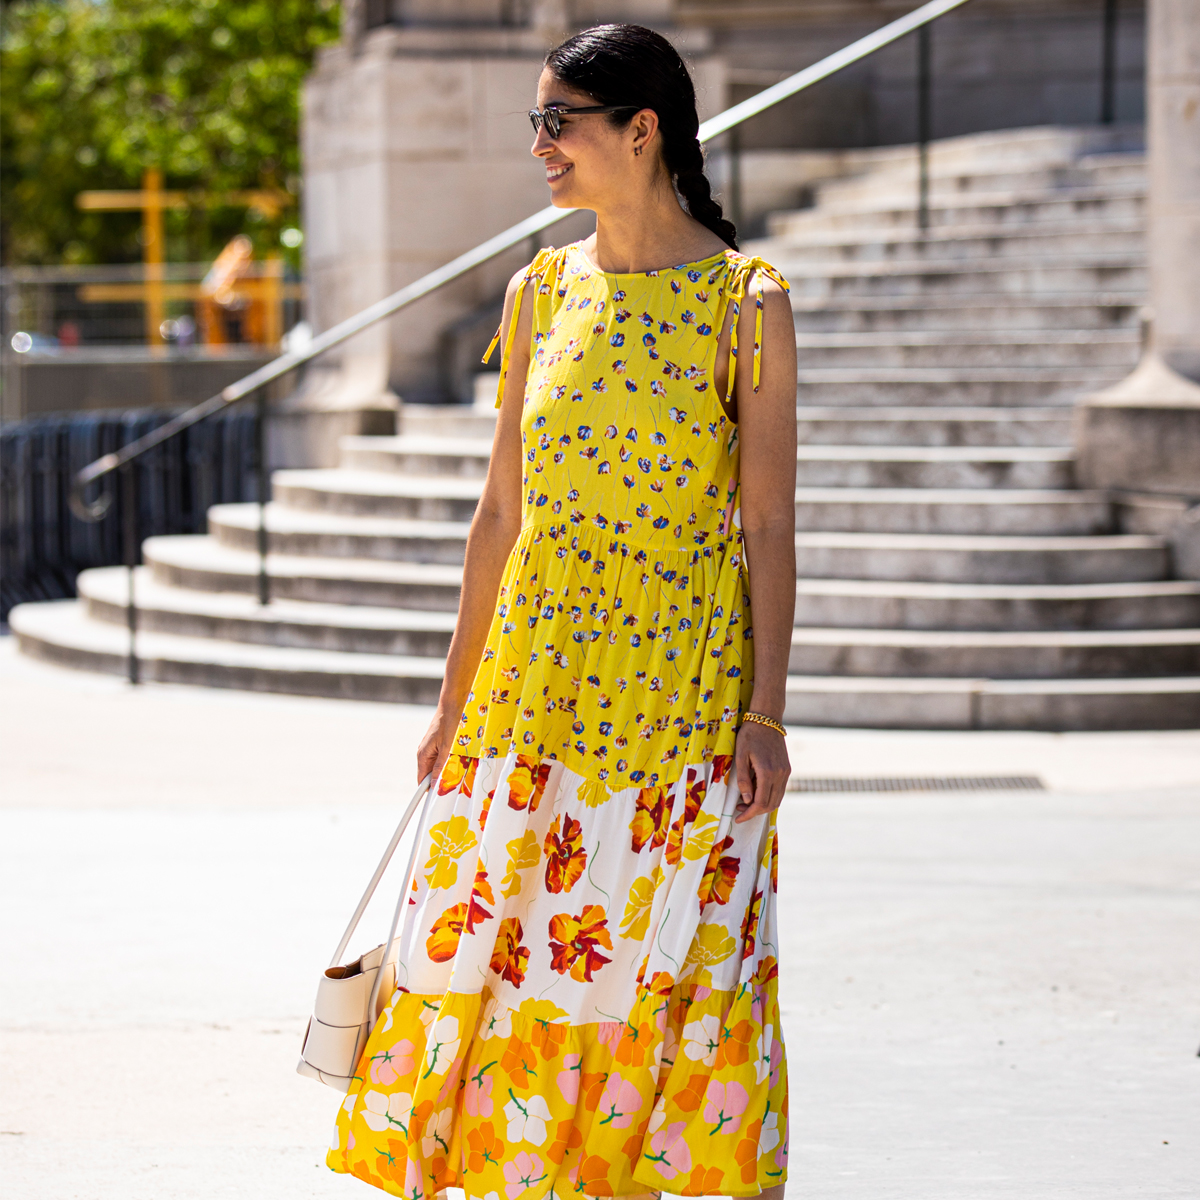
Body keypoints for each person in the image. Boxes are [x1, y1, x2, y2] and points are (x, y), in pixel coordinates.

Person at [328, 23, 797, 1200]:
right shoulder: (540, 290)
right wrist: (453, 696)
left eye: (559, 122)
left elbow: (773, 527)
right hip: (534, 681)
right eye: (534, 121)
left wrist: (768, 714)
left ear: (642, 132)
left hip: (684, 684)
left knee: (663, 950)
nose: (539, 145)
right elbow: (499, 512)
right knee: (511, 938)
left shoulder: (748, 302)